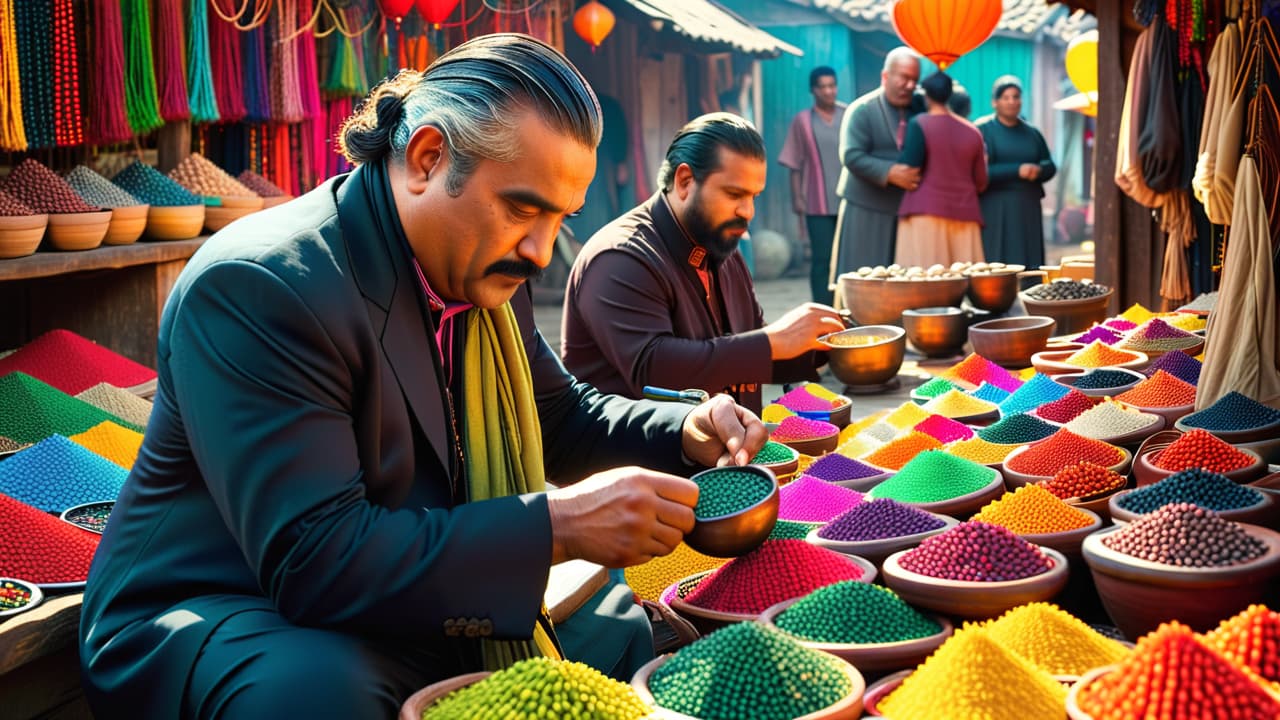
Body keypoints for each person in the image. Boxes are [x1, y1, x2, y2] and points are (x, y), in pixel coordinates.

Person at [79, 35, 767, 719]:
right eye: (524, 209)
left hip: (395, 569)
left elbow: (556, 415)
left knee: (609, 626)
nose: (539, 249)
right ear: (427, 158)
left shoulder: (482, 270)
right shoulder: (264, 288)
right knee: (323, 695)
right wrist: (554, 526)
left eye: (559, 219)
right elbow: (314, 559)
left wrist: (688, 428)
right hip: (230, 605)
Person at [560, 113, 845, 414]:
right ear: (684, 181)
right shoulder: (620, 258)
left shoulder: (719, 245)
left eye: (754, 196)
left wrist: (828, 347)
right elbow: (653, 369)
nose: (748, 211)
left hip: (728, 452)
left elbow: (744, 356)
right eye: (734, 194)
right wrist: (772, 341)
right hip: (640, 458)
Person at [830, 46, 923, 285]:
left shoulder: (919, 109)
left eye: (914, 79)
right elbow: (851, 155)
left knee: (902, 281)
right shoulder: (861, 110)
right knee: (863, 278)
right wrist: (889, 172)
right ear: (885, 76)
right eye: (904, 77)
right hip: (865, 205)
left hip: (905, 209)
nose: (910, 86)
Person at [894, 71, 988, 268]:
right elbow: (981, 181)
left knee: (926, 282)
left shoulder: (919, 123)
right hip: (965, 216)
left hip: (926, 214)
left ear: (926, 95)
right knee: (963, 281)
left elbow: (910, 168)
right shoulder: (973, 132)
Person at [779, 66, 848, 304]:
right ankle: (822, 308)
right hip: (816, 202)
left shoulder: (848, 115)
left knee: (848, 257)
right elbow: (794, 162)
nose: (829, 91)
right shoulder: (803, 121)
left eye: (832, 85)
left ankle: (847, 306)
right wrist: (797, 197)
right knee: (822, 259)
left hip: (849, 201)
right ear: (813, 90)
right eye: (823, 86)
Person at [975, 75, 1057, 268]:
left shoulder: (1032, 133)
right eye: (1006, 97)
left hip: (1027, 205)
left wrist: (1039, 171)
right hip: (995, 205)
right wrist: (1016, 171)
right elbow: (978, 172)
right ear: (994, 102)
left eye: (1016, 97)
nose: (1012, 102)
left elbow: (1050, 166)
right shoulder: (983, 130)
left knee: (1029, 257)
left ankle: (1030, 293)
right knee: (997, 259)